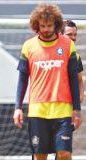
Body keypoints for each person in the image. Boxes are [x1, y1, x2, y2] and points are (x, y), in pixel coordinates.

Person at [13, 4, 82, 160]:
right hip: (37, 111)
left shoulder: (68, 45)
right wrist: (18, 108)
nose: (45, 29)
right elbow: (22, 79)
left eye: (49, 25)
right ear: (36, 25)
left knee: (64, 154)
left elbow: (73, 78)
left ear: (56, 24)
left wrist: (77, 109)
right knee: (39, 156)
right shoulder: (28, 47)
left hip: (63, 111)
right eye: (42, 25)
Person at [62, 20, 84, 103]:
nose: (73, 37)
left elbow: (79, 79)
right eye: (69, 34)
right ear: (60, 35)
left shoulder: (76, 56)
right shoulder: (51, 54)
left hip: (69, 105)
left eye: (75, 34)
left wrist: (81, 95)